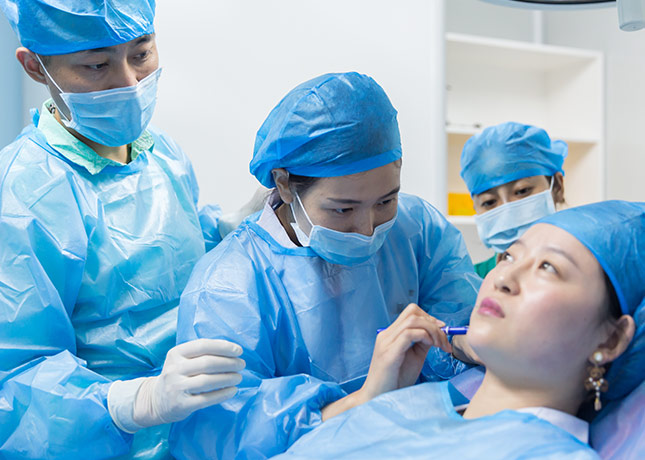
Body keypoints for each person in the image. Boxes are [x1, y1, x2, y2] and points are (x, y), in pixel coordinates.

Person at [169, 72, 482, 459]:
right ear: (284, 185)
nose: (368, 230)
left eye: (386, 201)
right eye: (343, 210)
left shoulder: (416, 229)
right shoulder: (227, 287)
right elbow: (221, 434)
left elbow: (461, 324)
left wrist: (460, 343)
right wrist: (365, 402)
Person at [0, 1, 261, 458]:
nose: (129, 83)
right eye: (96, 65)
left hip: (197, 430)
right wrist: (135, 402)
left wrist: (231, 232)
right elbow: (17, 381)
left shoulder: (159, 153)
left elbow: (173, 259)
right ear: (35, 67)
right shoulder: (23, 196)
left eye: (141, 54)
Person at [270, 200, 645, 459]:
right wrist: (368, 399)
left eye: (548, 267)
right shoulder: (410, 407)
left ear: (611, 338)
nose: (503, 278)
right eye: (509, 256)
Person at [460, 121, 567, 278]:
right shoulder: (471, 282)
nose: (507, 212)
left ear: (557, 186)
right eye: (489, 202)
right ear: (475, 208)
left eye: (522, 191)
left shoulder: (586, 272)